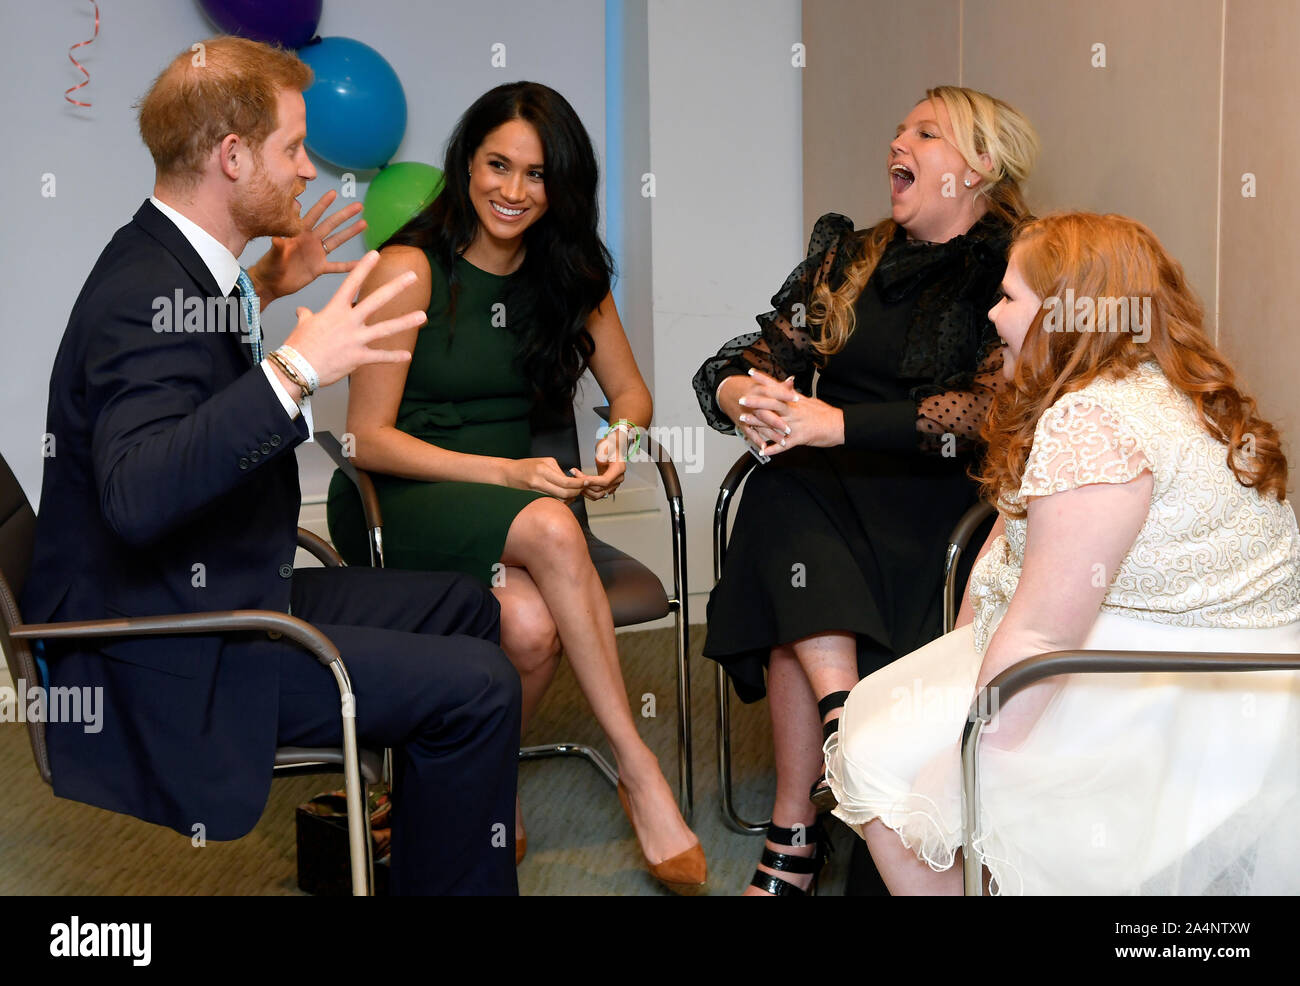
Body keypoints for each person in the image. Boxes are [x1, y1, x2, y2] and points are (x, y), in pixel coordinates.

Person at [21, 37, 522, 895]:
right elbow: (137, 494)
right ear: (231, 155)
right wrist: (294, 369)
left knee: (469, 607)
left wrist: (260, 289)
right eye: (292, 148)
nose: (305, 171)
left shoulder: (174, 263)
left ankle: (425, 862)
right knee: (478, 684)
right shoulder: (145, 294)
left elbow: (183, 378)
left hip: (210, 588)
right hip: (159, 647)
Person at [824, 211, 1300, 895]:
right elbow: (1018, 532)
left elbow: (1045, 632)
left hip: (1174, 692)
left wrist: (962, 774)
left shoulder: (1094, 420)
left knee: (880, 757)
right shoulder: (1168, 388)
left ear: (1068, 312)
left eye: (1010, 296)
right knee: (889, 717)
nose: (992, 314)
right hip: (1235, 667)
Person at [325, 82, 704, 890]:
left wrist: (617, 440)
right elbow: (368, 439)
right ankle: (641, 774)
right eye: (498, 165)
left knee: (529, 630)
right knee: (555, 529)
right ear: (467, 163)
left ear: (561, 186)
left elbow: (632, 395)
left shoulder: (570, 274)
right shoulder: (408, 269)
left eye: (537, 175)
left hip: (513, 504)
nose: (514, 190)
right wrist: (506, 473)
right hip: (400, 500)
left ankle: (480, 791)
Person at [693, 86, 1040, 894]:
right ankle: (846, 734)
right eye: (898, 128)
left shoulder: (1013, 263)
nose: (898, 142)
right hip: (823, 495)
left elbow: (993, 415)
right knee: (785, 492)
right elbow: (748, 358)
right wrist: (748, 396)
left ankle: (794, 837)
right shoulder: (852, 254)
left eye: (925, 131)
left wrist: (832, 427)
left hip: (942, 514)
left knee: (790, 527)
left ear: (980, 165)